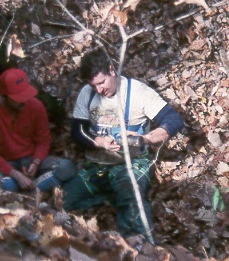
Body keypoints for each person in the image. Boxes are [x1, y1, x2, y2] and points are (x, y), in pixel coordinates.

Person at [63, 50, 184, 238]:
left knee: (130, 196)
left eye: (101, 83)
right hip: (96, 166)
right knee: (64, 200)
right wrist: (99, 142)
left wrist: (144, 139)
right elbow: (77, 131)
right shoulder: (87, 93)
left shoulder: (137, 92)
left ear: (111, 71)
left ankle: (142, 245)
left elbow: (173, 120)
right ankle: (109, 198)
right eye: (93, 85)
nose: (98, 90)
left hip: (132, 163)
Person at [0, 68, 76, 193]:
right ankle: (34, 188)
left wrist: (35, 162)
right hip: (5, 164)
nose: (24, 101)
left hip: (30, 158)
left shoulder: (35, 106)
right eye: (18, 98)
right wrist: (16, 175)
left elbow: (43, 140)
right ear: (4, 96)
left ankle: (33, 189)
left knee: (67, 167)